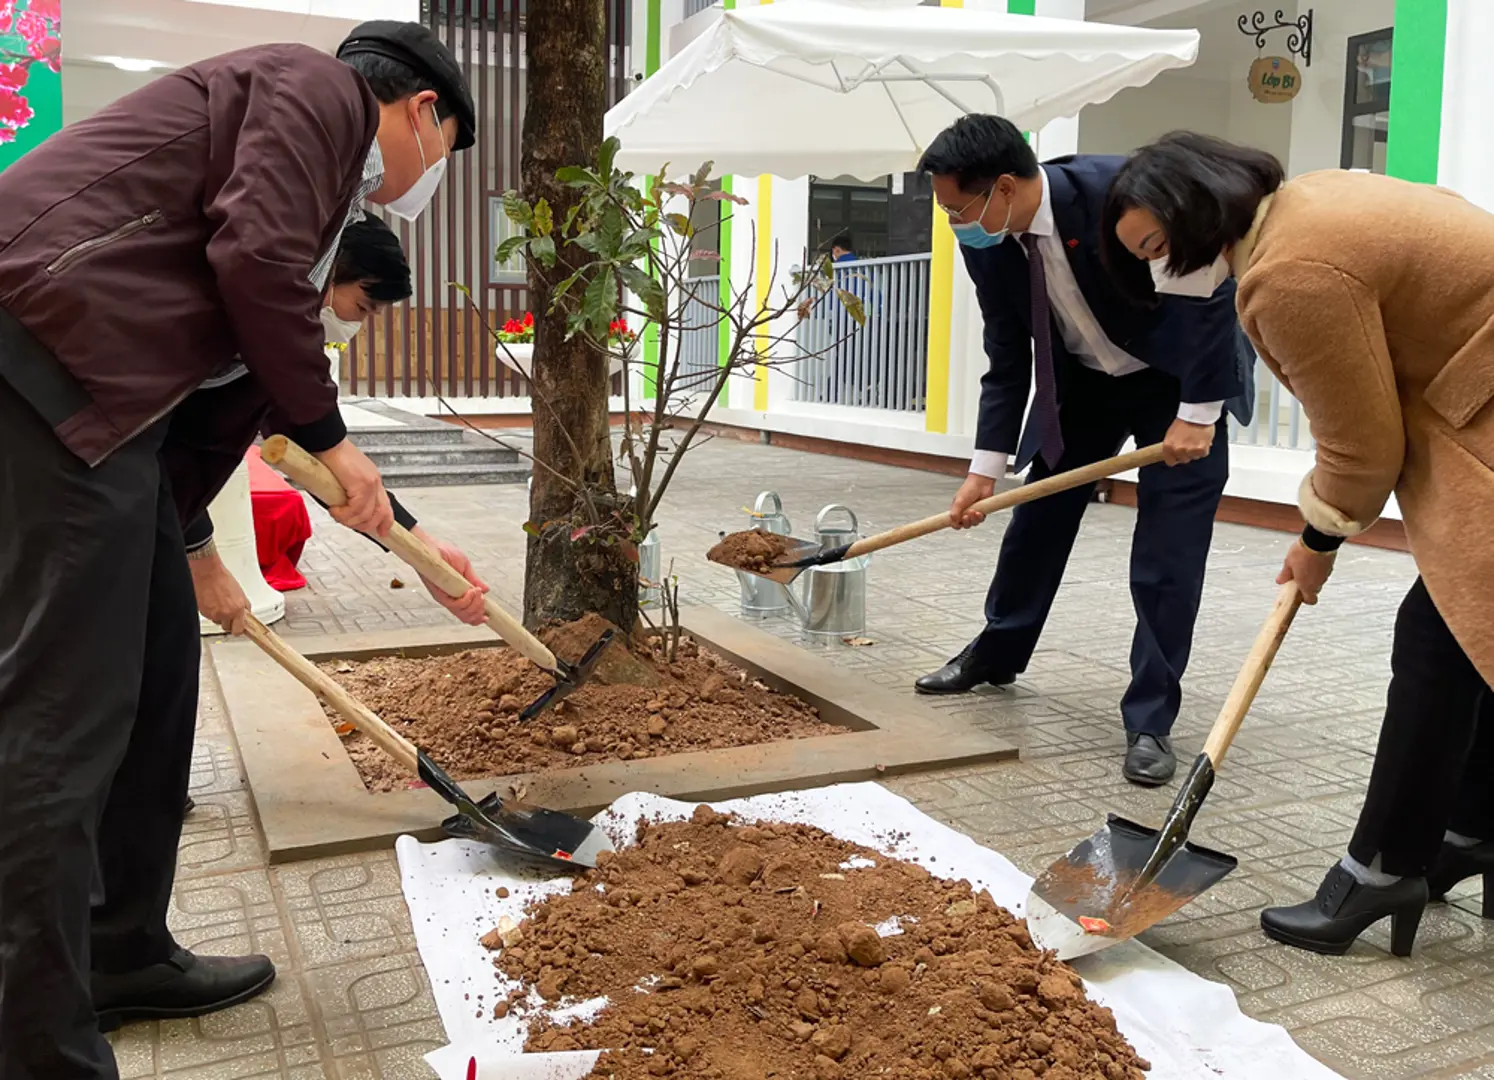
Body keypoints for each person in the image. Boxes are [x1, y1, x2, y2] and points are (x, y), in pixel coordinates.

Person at [0, 22, 484, 1078]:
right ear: (421, 111)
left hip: (109, 408)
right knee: (61, 719)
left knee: (161, 675)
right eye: (442, 158)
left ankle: (120, 950)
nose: (421, 183)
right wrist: (331, 437)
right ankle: (35, 1045)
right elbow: (250, 256)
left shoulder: (315, 219)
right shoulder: (314, 89)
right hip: (43, 356)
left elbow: (215, 421)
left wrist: (193, 546)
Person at [1104, 131, 1494, 956]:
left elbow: (1361, 447)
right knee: (1461, 626)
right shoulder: (1314, 202)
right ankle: (1471, 828)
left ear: (1198, 212)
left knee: (1440, 632)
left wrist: (1317, 538)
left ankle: (1387, 866)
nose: (1157, 271)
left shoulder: (1288, 275)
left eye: (1158, 247)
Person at [913, 115, 1251, 785]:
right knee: (1036, 520)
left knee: (1167, 554)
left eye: (959, 207)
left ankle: (1150, 718)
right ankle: (997, 652)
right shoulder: (987, 239)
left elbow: (1210, 293)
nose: (955, 222)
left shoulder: (1117, 196)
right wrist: (985, 470)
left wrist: (1197, 414)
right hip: (1083, 386)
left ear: (1003, 187)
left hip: (1177, 386)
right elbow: (1007, 352)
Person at [189, 215, 486, 635]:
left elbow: (320, 459)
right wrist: (203, 561)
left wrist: (425, 551)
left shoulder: (265, 360)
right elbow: (169, 451)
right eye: (362, 307)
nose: (356, 326)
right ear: (326, 269)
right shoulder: (218, 329)